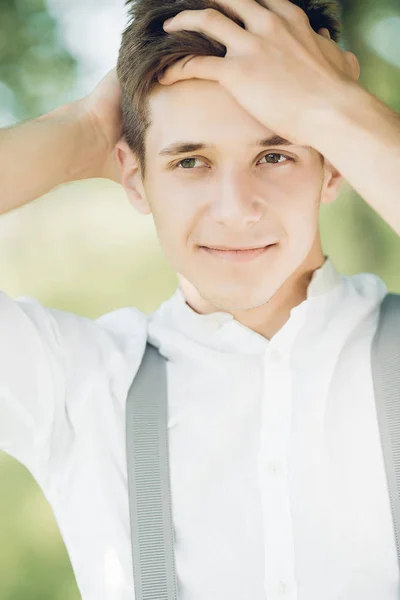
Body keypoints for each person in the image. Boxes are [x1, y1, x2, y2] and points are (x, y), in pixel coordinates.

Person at [1, 0, 400, 598]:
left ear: (334, 165)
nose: (236, 209)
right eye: (190, 160)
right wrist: (81, 131)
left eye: (275, 154)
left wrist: (337, 112)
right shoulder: (79, 383)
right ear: (135, 177)